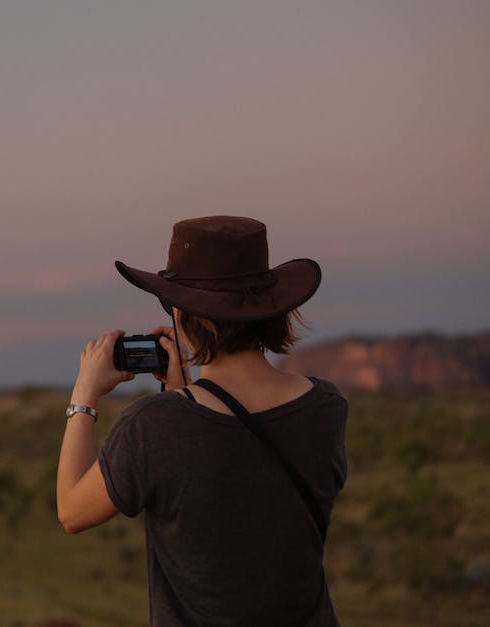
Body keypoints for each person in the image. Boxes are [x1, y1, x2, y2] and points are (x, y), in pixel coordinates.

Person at [55, 216, 347, 626]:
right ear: (271, 309)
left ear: (185, 314)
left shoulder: (152, 425)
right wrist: (182, 391)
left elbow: (72, 512)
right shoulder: (327, 406)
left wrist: (83, 395)